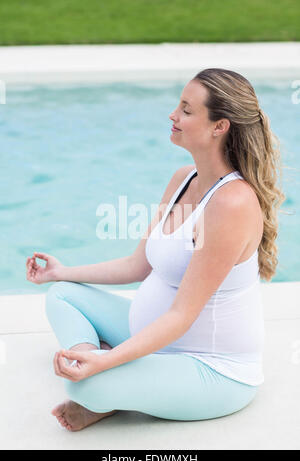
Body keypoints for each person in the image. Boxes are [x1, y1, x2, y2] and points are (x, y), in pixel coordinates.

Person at [26, 68, 285, 432]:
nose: (173, 115)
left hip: (210, 370)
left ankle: (109, 380)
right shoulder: (184, 179)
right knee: (63, 296)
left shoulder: (232, 204)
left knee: (83, 384)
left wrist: (105, 363)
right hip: (154, 338)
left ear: (219, 126)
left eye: (186, 110)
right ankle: (104, 364)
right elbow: (137, 265)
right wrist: (61, 271)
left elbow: (182, 316)